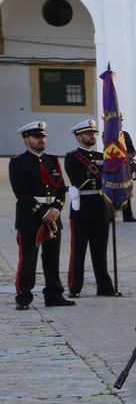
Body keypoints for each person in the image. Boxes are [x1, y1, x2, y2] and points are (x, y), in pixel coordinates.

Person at [11, 121, 73, 309]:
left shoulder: (52, 160)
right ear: (26, 139)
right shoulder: (18, 162)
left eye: (43, 137)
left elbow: (61, 189)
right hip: (30, 217)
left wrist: (56, 209)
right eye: (36, 137)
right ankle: (23, 297)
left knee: (52, 259)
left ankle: (54, 295)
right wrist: (43, 212)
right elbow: (21, 194)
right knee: (28, 259)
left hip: (53, 216)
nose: (41, 140)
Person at [64, 118, 117, 298]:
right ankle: (75, 287)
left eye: (93, 133)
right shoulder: (72, 157)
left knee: (100, 251)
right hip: (83, 209)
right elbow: (78, 181)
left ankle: (104, 287)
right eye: (87, 134)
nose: (92, 136)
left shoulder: (102, 156)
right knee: (78, 251)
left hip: (101, 208)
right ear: (78, 137)